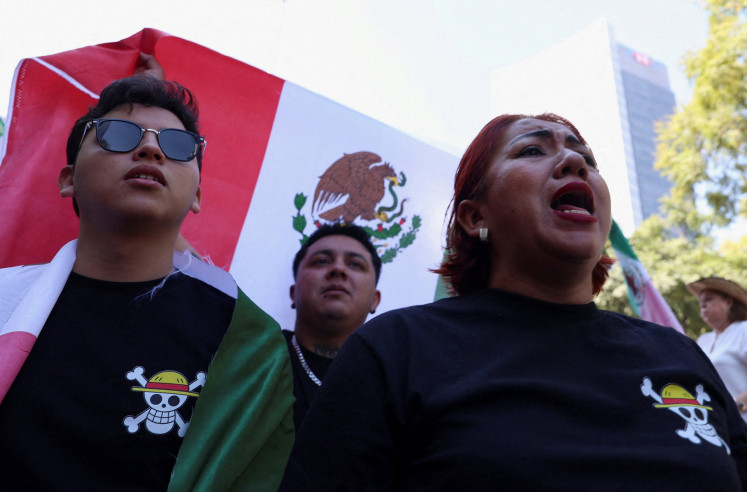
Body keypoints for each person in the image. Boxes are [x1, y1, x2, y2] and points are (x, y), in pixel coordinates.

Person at [280, 113, 747, 490]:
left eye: (585, 156)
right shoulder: (393, 349)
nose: (573, 162)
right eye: (532, 150)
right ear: (474, 216)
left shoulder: (679, 353)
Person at [0, 75, 294, 491]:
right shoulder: (5, 303)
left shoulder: (247, 344)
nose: (151, 148)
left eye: (177, 146)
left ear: (196, 196)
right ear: (68, 180)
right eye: (118, 135)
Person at [284, 222, 381, 428]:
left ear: (375, 299)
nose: (338, 269)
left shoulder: (394, 382)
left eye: (355, 264)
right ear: (293, 293)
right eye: (321, 261)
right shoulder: (256, 354)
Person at [688, 276, 747, 422]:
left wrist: (737, 405)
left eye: (708, 300)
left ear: (728, 302)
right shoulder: (703, 340)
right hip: (719, 427)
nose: (703, 306)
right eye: (700, 303)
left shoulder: (743, 330)